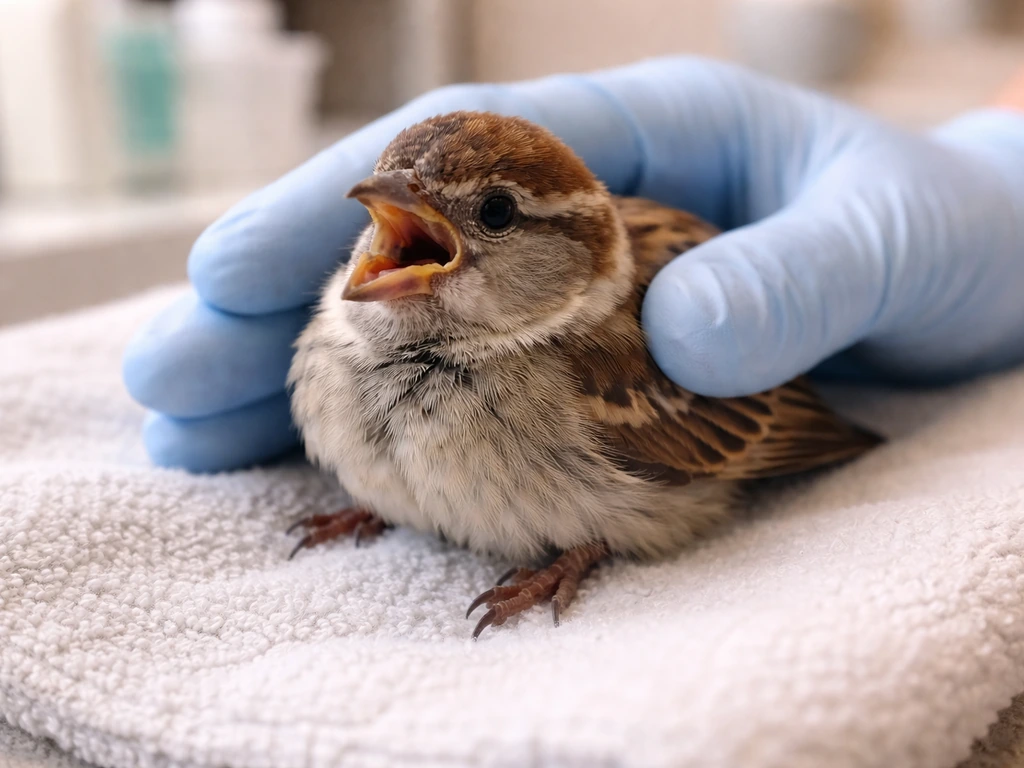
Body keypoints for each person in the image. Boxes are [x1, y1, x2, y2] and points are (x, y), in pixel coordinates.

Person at [122, 57, 1024, 473]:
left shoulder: (593, 359)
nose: (377, 247)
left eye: (498, 216)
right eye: (387, 218)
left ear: (572, 254)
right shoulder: (339, 329)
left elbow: (724, 463)